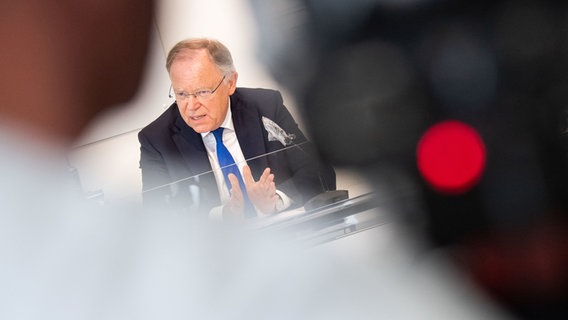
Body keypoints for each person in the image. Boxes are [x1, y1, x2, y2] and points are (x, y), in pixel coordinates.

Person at [138, 38, 336, 220]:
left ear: (230, 82)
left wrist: (275, 200)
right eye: (181, 94)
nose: (191, 106)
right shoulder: (157, 140)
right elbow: (157, 218)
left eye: (202, 92)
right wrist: (222, 216)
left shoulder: (265, 106)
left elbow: (318, 171)